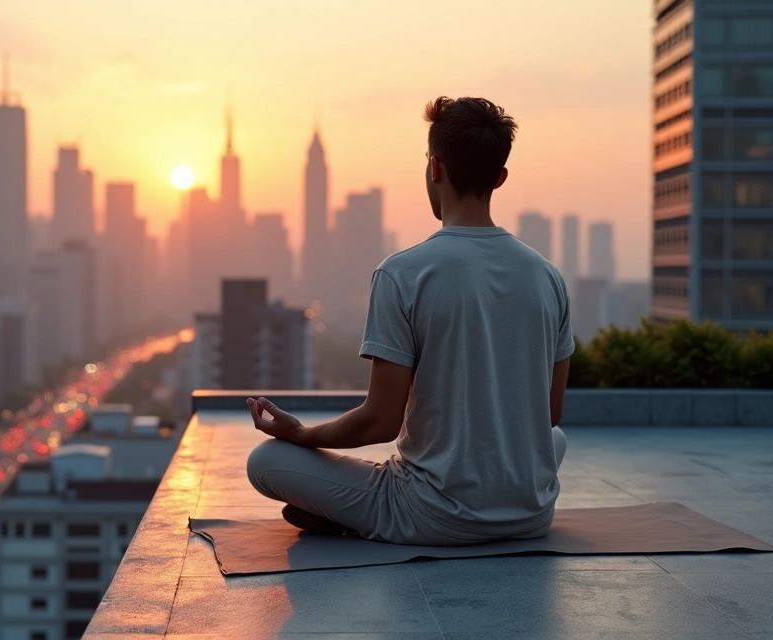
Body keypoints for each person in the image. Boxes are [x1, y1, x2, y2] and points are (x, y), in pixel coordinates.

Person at [245, 96, 572, 545]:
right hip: (531, 515)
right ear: (500, 177)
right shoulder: (548, 277)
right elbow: (549, 414)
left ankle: (352, 512)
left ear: (434, 169)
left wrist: (301, 434)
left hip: (432, 517)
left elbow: (379, 422)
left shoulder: (403, 273)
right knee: (555, 441)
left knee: (264, 461)